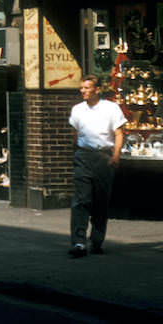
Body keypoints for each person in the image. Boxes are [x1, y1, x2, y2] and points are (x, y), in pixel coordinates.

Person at [68, 74, 126, 257]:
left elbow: (118, 133)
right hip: (83, 157)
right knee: (81, 200)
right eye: (81, 88)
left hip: (103, 158)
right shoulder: (77, 110)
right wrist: (77, 152)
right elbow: (75, 133)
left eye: (86, 88)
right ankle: (78, 242)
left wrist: (115, 155)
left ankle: (97, 241)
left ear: (97, 89)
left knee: (100, 201)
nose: (82, 91)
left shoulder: (111, 108)